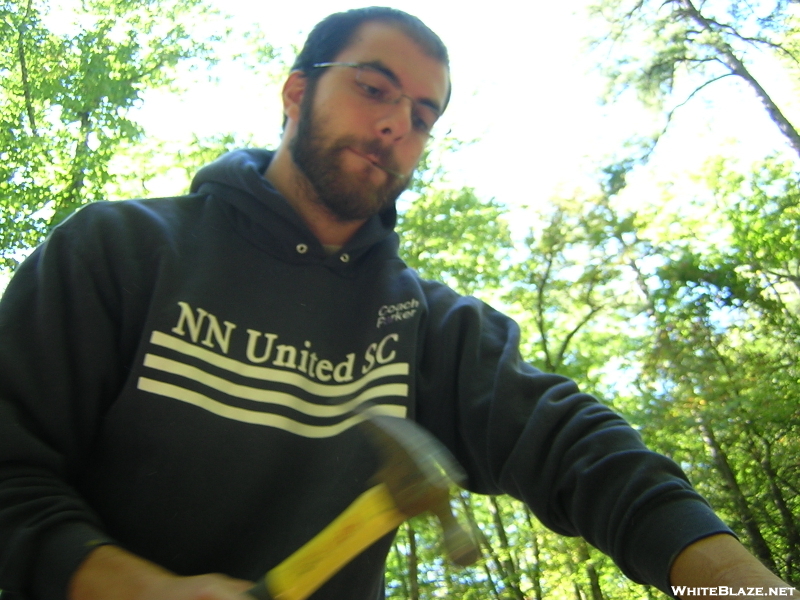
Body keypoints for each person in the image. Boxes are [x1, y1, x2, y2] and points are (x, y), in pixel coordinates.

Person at [0, 7, 794, 600]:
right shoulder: (122, 249)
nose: (394, 125)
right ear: (296, 90)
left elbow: (588, 455)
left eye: (422, 117)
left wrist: (738, 587)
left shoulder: (426, 328)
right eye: (374, 87)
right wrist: (136, 589)